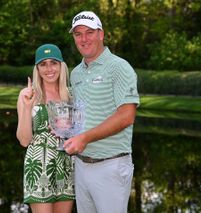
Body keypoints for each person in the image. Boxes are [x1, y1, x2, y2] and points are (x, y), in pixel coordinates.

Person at [64, 11, 140, 213]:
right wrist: (67, 129)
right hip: (81, 165)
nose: (83, 38)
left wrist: (86, 137)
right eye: (78, 34)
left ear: (101, 34)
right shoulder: (76, 73)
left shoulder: (119, 67)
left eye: (89, 32)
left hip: (111, 166)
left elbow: (127, 116)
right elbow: (83, 115)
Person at [16, 44, 75, 213]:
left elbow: (80, 132)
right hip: (39, 166)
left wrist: (68, 129)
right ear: (37, 69)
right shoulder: (28, 95)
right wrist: (27, 107)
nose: (49, 69)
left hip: (66, 165)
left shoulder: (71, 95)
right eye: (43, 64)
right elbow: (24, 140)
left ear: (61, 66)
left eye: (53, 63)